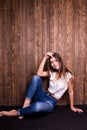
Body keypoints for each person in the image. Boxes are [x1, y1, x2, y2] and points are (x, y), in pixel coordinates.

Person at [0, 52, 83, 119]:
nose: (54, 64)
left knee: (37, 107)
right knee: (36, 78)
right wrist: (45, 58)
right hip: (43, 95)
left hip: (50, 101)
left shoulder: (69, 76)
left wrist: (72, 107)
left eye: (55, 61)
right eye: (51, 62)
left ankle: (16, 112)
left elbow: (71, 91)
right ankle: (25, 105)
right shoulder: (52, 73)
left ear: (60, 60)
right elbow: (39, 73)